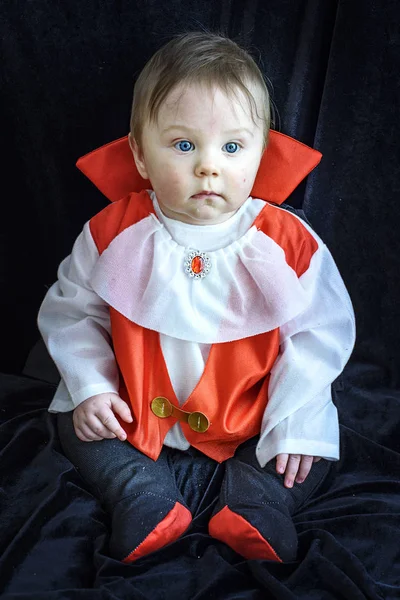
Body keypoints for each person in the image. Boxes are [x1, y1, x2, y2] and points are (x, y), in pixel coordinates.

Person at [38, 31, 355, 564]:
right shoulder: (112, 232)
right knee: (74, 418)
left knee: (311, 446)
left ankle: (259, 502)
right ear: (140, 154)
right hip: (137, 408)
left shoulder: (288, 242)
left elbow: (321, 333)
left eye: (232, 147)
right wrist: (93, 386)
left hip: (253, 410)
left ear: (260, 153)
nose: (209, 166)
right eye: (184, 145)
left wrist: (297, 418)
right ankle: (142, 493)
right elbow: (73, 314)